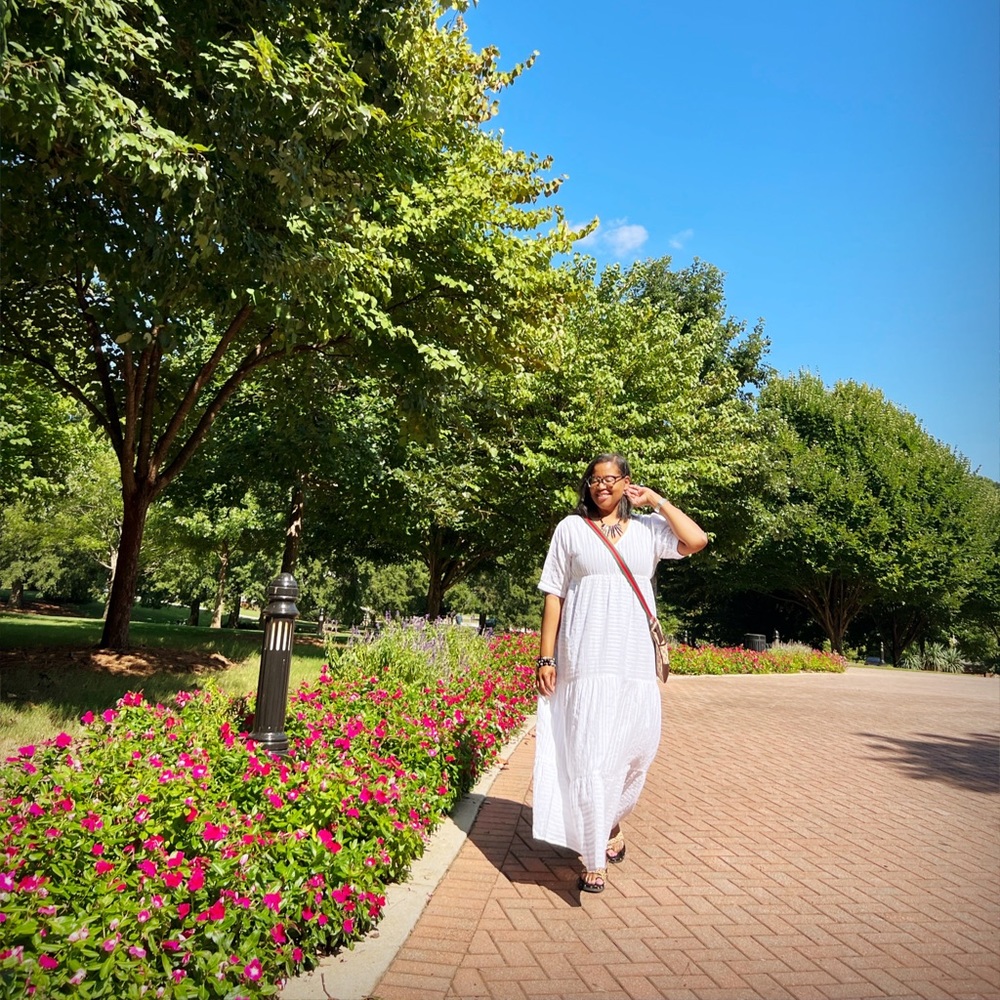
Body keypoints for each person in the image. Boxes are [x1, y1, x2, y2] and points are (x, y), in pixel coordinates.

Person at [533, 453, 708, 893]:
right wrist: (546, 657)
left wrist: (658, 502)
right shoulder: (571, 529)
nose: (601, 487)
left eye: (610, 479)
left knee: (635, 754)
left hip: (632, 665)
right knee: (591, 757)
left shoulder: (649, 532)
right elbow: (553, 594)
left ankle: (608, 823)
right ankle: (593, 861)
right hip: (585, 662)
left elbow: (697, 540)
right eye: (594, 480)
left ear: (626, 483)